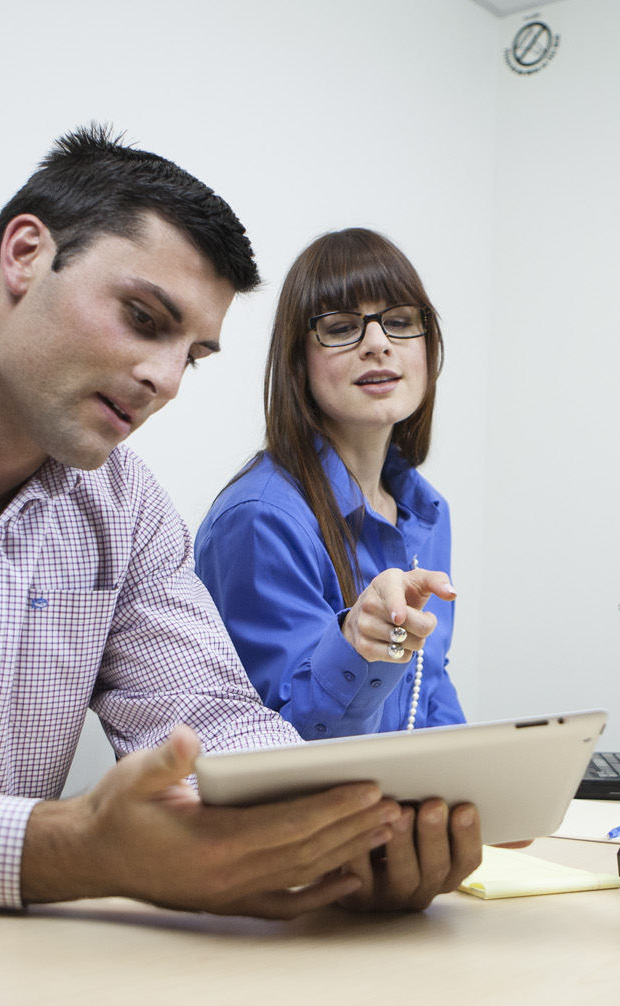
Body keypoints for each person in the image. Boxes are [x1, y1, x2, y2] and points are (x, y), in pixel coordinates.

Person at [0, 126, 480, 916]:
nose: (165, 380)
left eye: (194, 354)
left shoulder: (126, 507)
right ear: (26, 255)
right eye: (145, 319)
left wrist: (349, 835)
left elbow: (213, 721)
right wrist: (66, 851)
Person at [195, 228, 462, 739]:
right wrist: (357, 646)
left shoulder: (428, 511)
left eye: (401, 322)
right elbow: (285, 748)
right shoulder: (260, 519)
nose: (379, 344)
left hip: (401, 809)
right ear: (299, 363)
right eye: (342, 328)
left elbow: (429, 691)